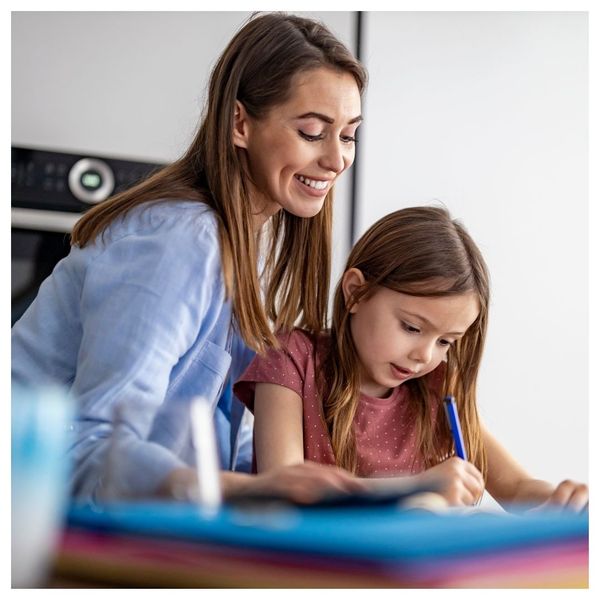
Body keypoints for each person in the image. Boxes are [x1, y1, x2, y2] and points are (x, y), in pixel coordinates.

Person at [11, 12, 368, 505]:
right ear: (240, 123)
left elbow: (221, 431)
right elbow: (90, 444)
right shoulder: (181, 239)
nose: (337, 159)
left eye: (348, 135)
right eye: (312, 132)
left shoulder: (245, 248)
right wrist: (242, 488)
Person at [235, 206, 589, 512]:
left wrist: (560, 502)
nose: (425, 356)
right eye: (411, 327)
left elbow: (515, 489)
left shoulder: (437, 388)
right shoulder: (291, 359)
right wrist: (413, 487)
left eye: (446, 342)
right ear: (356, 292)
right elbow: (282, 486)